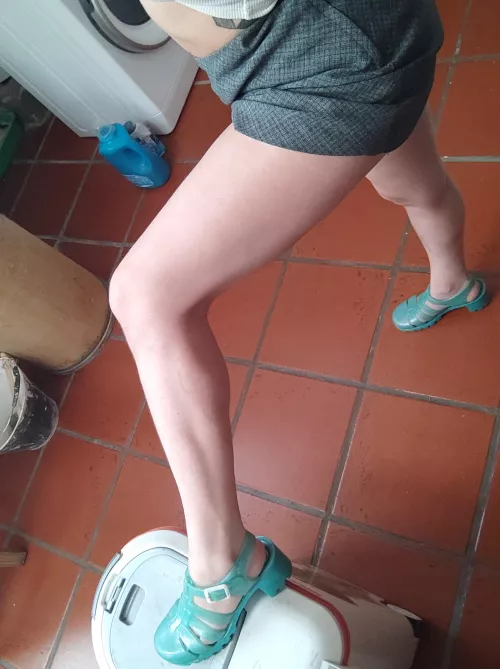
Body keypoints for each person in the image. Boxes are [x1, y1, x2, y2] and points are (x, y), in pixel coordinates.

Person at [109, 0, 490, 664]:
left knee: (146, 296)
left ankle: (222, 560)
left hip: (320, 55)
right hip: (346, 36)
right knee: (409, 183)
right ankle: (453, 282)